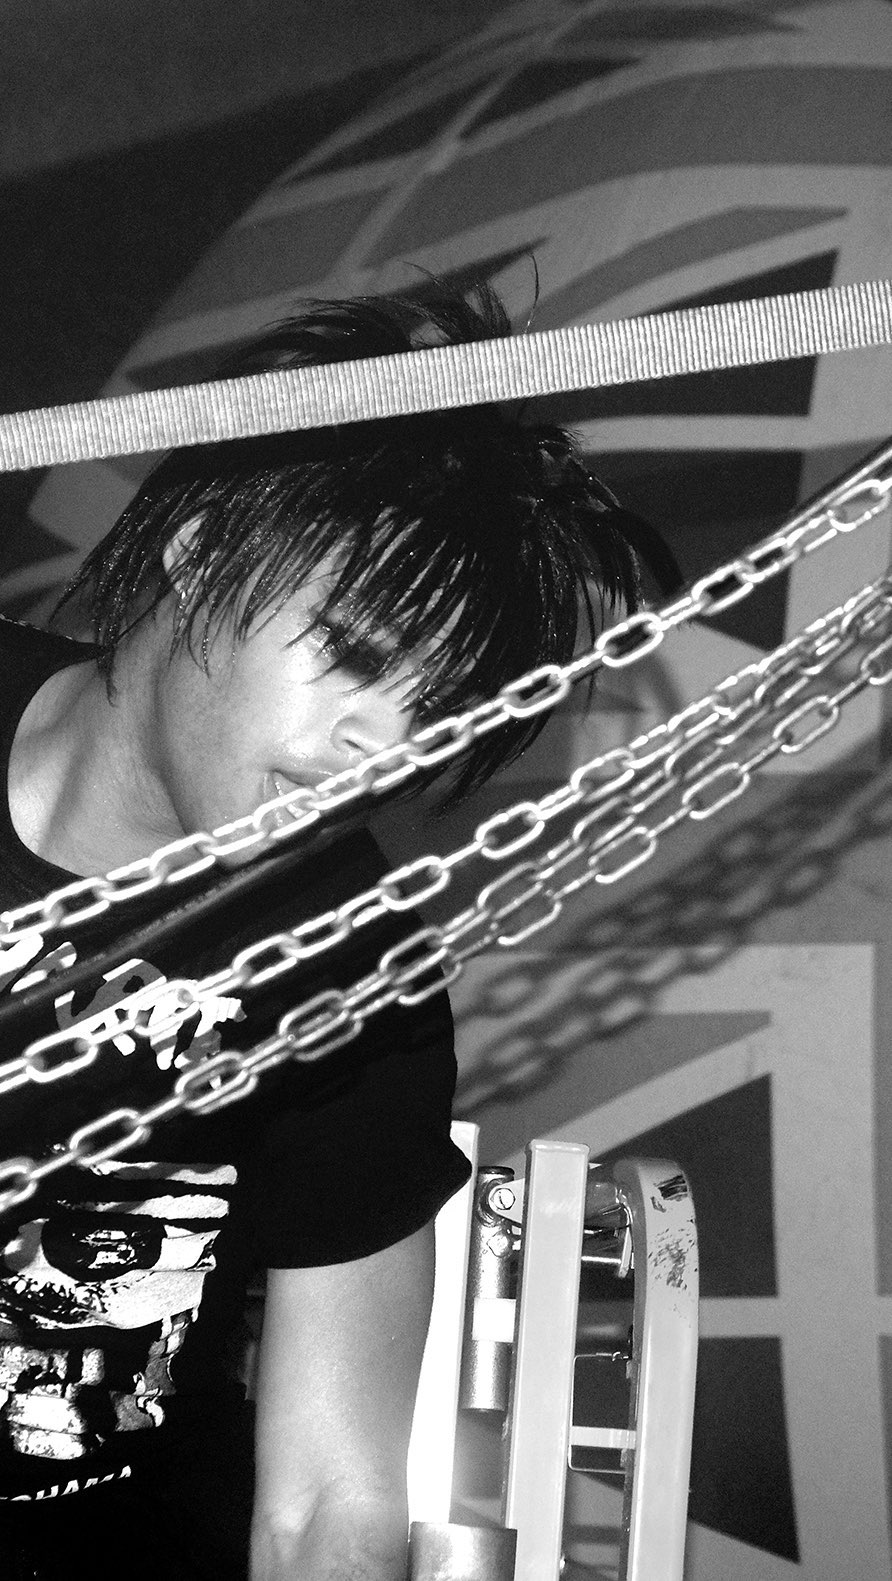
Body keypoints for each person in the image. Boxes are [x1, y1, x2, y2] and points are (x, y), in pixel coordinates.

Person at [0, 282, 676, 1580]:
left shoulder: (353, 966)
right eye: (358, 653)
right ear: (202, 551)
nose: (384, 747)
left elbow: (328, 1503)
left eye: (438, 711)